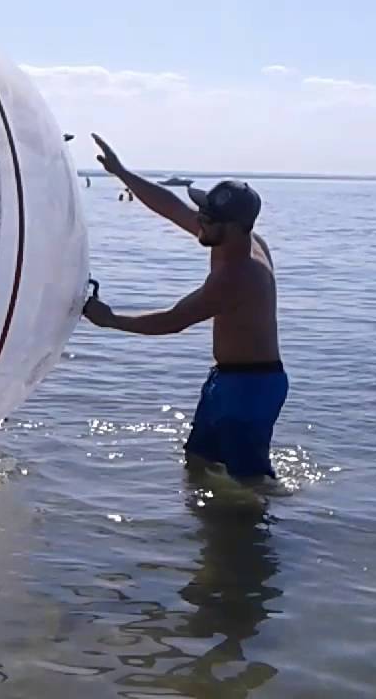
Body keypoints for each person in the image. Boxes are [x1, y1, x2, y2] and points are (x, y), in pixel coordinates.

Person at [83, 134, 286, 484]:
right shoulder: (228, 238)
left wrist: (111, 320)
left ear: (234, 226)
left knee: (250, 486)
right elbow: (171, 206)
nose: (199, 221)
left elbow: (173, 320)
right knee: (197, 461)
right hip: (226, 378)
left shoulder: (240, 275)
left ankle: (262, 534)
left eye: (207, 217)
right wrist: (121, 172)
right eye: (203, 212)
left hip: (251, 388)